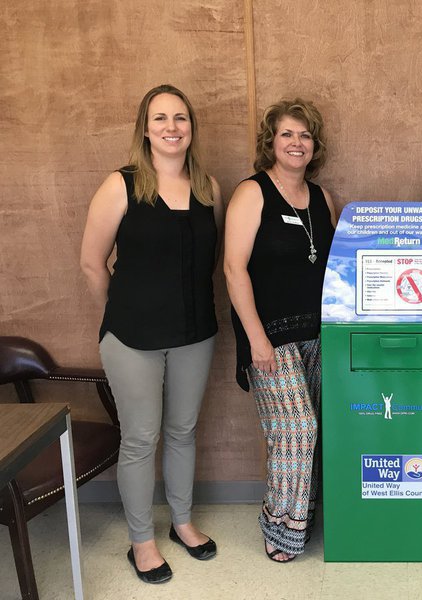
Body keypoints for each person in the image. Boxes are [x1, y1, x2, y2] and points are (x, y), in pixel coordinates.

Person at [80, 84, 223, 583]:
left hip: (195, 333)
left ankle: (182, 522)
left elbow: (209, 263)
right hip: (132, 337)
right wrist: (118, 316)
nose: (171, 127)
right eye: (160, 118)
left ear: (191, 128)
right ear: (145, 128)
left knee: (183, 431)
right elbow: (92, 263)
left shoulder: (209, 187)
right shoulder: (120, 185)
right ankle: (141, 541)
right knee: (141, 438)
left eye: (180, 118)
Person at [224, 98, 336, 563]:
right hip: (269, 337)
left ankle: (303, 516)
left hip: (319, 334)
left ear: (315, 146)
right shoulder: (252, 193)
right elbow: (233, 269)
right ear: (271, 141)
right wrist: (255, 340)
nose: (297, 143)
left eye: (305, 135)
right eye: (287, 134)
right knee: (296, 429)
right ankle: (279, 525)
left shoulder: (324, 198)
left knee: (318, 428)